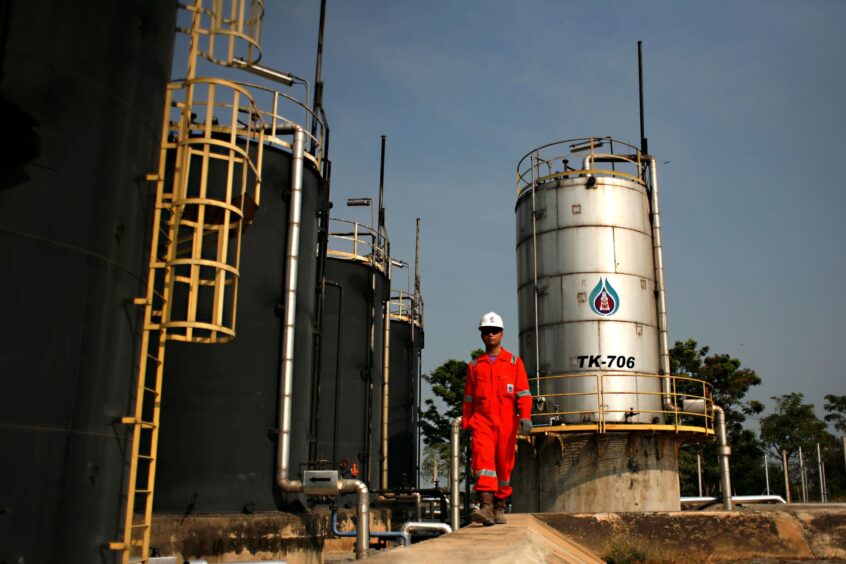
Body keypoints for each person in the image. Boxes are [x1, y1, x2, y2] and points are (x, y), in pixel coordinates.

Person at [462, 311, 532, 525]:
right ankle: (486, 507)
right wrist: (467, 424)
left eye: (494, 331)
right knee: (483, 463)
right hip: (482, 422)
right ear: (481, 336)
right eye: (486, 331)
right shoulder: (474, 366)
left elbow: (523, 393)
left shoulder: (513, 362)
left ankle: (499, 506)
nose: (490, 334)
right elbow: (468, 399)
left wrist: (525, 417)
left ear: (501, 334)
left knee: (503, 466)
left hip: (506, 423)